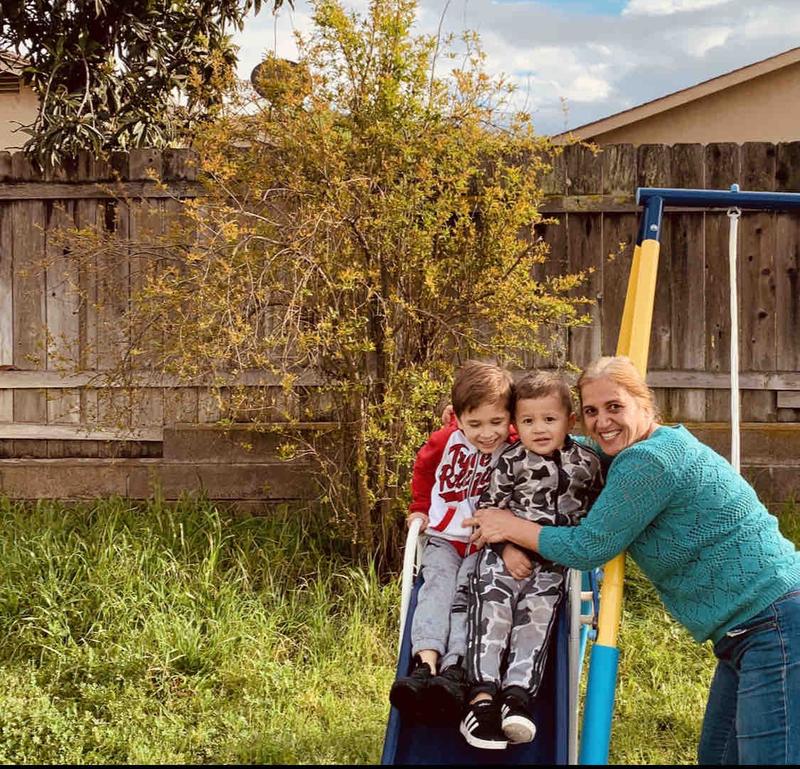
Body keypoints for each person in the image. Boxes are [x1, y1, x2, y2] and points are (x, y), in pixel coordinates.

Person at [464, 355, 800, 765]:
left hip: (776, 623)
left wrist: (508, 525)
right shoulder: (652, 445)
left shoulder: (649, 462)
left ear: (645, 403)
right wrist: (480, 424)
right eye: (591, 412)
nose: (602, 421)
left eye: (614, 407)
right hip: (746, 631)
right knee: (717, 757)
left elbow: (589, 547)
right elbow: (565, 442)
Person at [459, 371, 603, 750]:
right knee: (493, 612)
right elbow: (488, 509)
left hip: (553, 564)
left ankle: (516, 699)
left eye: (549, 419)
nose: (538, 429)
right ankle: (482, 698)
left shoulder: (586, 463)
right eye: (527, 421)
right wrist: (506, 546)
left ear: (570, 421)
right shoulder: (509, 461)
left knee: (535, 624)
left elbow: (598, 511)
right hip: (504, 556)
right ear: (514, 425)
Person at [390, 360, 528, 723]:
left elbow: (549, 436)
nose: (486, 433)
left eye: (496, 422)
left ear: (509, 419)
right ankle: (425, 663)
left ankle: (455, 669)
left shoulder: (515, 448)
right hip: (444, 537)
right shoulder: (444, 440)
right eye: (475, 424)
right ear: (459, 418)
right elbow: (423, 468)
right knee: (436, 589)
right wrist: (419, 507)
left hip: (483, 543)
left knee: (469, 596)